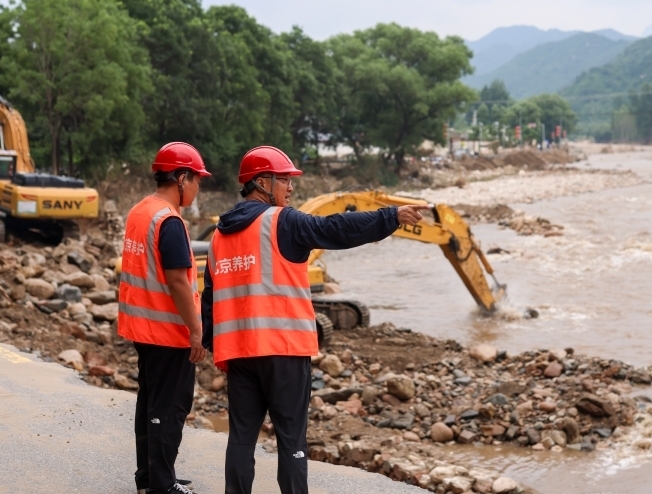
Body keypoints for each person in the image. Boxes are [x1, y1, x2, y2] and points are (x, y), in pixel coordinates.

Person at [201, 146, 428, 494]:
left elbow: (210, 295)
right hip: (284, 350)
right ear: (261, 182)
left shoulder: (219, 236)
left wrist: (211, 343)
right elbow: (337, 229)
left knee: (242, 439)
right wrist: (391, 216)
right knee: (291, 440)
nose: (290, 188)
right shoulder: (283, 221)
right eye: (285, 180)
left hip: (239, 353)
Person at [118, 142, 211, 494]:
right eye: (197, 180)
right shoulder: (169, 221)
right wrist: (196, 329)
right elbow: (176, 281)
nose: (198, 187)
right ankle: (161, 485)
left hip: (141, 327)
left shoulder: (140, 211)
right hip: (167, 331)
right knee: (169, 408)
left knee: (150, 403)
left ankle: (151, 477)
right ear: (182, 178)